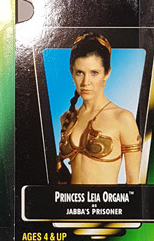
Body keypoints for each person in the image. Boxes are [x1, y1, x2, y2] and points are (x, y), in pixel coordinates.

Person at [56, 32, 142, 185]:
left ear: (107, 73)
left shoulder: (122, 118)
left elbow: (134, 183)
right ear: (72, 73)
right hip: (70, 200)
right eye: (79, 73)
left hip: (107, 201)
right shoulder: (66, 117)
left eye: (94, 73)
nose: (86, 82)